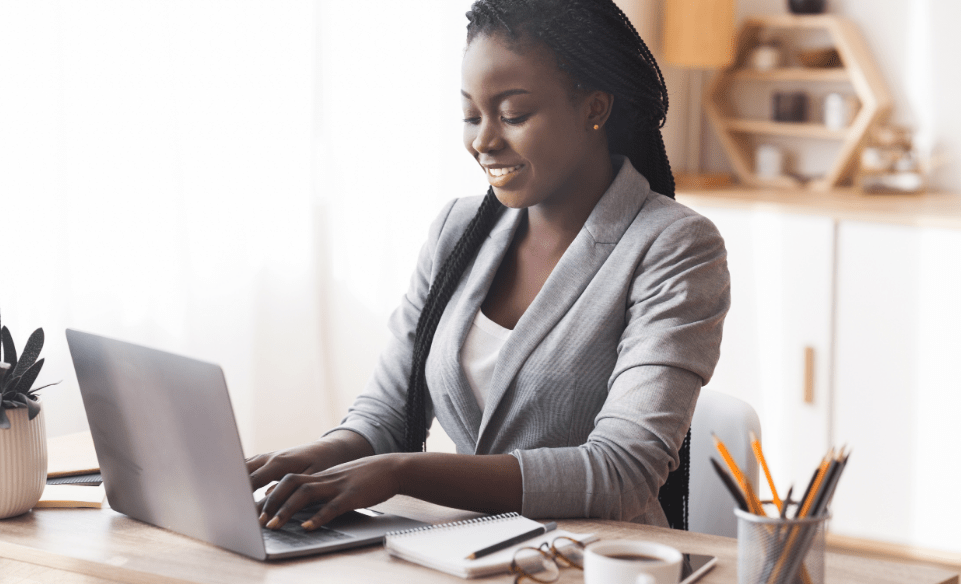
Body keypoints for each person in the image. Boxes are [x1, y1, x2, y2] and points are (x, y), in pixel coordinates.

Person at [246, 0, 729, 532]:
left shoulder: (673, 246)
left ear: (594, 108)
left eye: (513, 114)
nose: (483, 140)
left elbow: (621, 473)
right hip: (457, 554)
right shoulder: (458, 231)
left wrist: (403, 472)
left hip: (590, 563)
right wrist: (312, 458)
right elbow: (388, 413)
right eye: (471, 115)